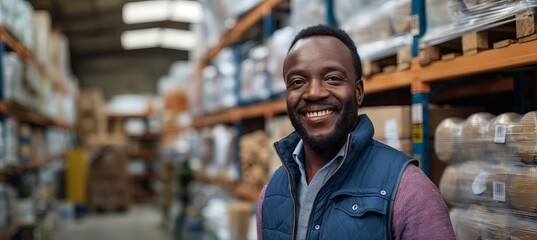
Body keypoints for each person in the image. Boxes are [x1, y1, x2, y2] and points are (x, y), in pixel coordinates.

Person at [256, 24, 455, 240]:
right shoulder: (271, 195)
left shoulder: (409, 190)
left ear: (358, 92)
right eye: (298, 82)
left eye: (332, 78)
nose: (313, 93)